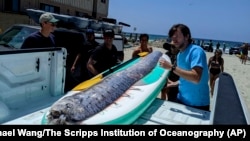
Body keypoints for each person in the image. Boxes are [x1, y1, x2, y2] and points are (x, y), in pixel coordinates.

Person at [159, 23, 210, 111]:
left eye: (177, 36)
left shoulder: (196, 51)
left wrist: (172, 67)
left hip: (198, 104)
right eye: (172, 36)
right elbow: (185, 75)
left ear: (187, 36)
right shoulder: (179, 55)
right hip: (181, 99)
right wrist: (176, 83)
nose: (174, 39)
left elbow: (196, 77)